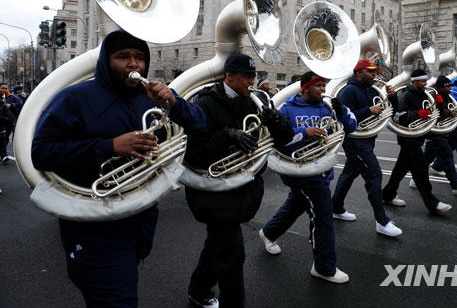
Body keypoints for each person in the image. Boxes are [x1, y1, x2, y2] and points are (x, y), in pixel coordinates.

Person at [31, 29, 208, 308]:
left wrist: (174, 102)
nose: (134, 64)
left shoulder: (152, 95)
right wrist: (110, 146)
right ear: (105, 60)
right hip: (93, 225)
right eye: (123, 56)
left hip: (140, 217)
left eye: (139, 57)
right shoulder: (75, 98)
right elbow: (41, 153)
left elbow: (200, 124)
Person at [183, 52, 293, 308]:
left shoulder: (258, 100)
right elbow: (193, 156)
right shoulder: (204, 104)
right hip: (214, 192)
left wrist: (278, 122)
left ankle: (198, 290)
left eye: (254, 76)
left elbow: (284, 139)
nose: (252, 82)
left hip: (244, 188)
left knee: (217, 246)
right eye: (246, 76)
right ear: (229, 76)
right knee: (232, 254)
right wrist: (227, 135)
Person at [259, 71, 357, 284]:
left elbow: (350, 128)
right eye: (318, 85)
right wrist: (304, 133)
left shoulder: (327, 107)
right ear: (305, 88)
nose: (323, 89)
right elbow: (278, 143)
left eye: (324, 85)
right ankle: (324, 267)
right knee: (323, 216)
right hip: (300, 171)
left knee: (297, 204)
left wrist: (342, 112)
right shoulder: (286, 109)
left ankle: (269, 232)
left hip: (321, 168)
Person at [331, 59, 403, 237]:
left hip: (368, 138)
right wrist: (368, 111)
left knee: (350, 173)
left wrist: (392, 97)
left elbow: (391, 110)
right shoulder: (348, 90)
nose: (374, 75)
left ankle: (336, 207)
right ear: (359, 73)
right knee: (374, 174)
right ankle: (382, 221)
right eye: (370, 72)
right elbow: (343, 118)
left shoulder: (372, 90)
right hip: (355, 141)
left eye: (374, 72)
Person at [381, 69, 452, 214]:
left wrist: (439, 105)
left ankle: (387, 194)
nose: (426, 84)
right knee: (421, 169)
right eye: (423, 81)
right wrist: (416, 114)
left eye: (426, 81)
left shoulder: (425, 95)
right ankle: (432, 203)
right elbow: (397, 116)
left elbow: (435, 117)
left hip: (418, 137)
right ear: (414, 82)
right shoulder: (405, 96)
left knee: (400, 170)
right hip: (407, 137)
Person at [423, 76, 457, 195]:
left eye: (450, 86)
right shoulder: (433, 97)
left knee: (426, 159)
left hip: (443, 132)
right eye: (447, 86)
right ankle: (456, 186)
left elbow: (454, 113)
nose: (450, 88)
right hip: (435, 132)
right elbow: (433, 113)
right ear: (440, 87)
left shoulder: (448, 97)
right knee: (448, 155)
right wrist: (449, 113)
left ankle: (415, 179)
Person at [0, 84, 14, 165]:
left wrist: (10, 118)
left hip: (4, 124)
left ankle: (4, 156)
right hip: (3, 122)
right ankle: (3, 155)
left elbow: (6, 110)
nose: (4, 90)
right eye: (2, 88)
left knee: (3, 139)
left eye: (6, 88)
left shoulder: (6, 98)